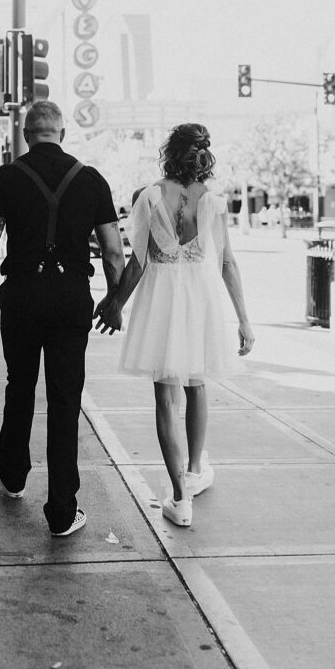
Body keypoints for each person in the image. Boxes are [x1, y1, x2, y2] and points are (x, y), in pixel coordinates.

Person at [0, 100, 124, 538]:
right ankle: (61, 512)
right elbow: (113, 251)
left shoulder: (6, 178)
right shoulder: (90, 179)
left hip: (21, 297)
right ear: (62, 132)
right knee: (64, 400)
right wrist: (114, 300)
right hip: (71, 299)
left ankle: (13, 475)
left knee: (20, 385)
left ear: (25, 133)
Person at [95, 123, 255, 529]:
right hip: (198, 301)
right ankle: (197, 469)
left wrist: (116, 303)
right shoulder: (214, 201)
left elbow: (138, 262)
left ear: (170, 151)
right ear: (204, 154)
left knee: (166, 400)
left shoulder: (148, 197)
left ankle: (180, 497)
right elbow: (226, 264)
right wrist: (244, 321)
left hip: (162, 302)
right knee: (197, 384)